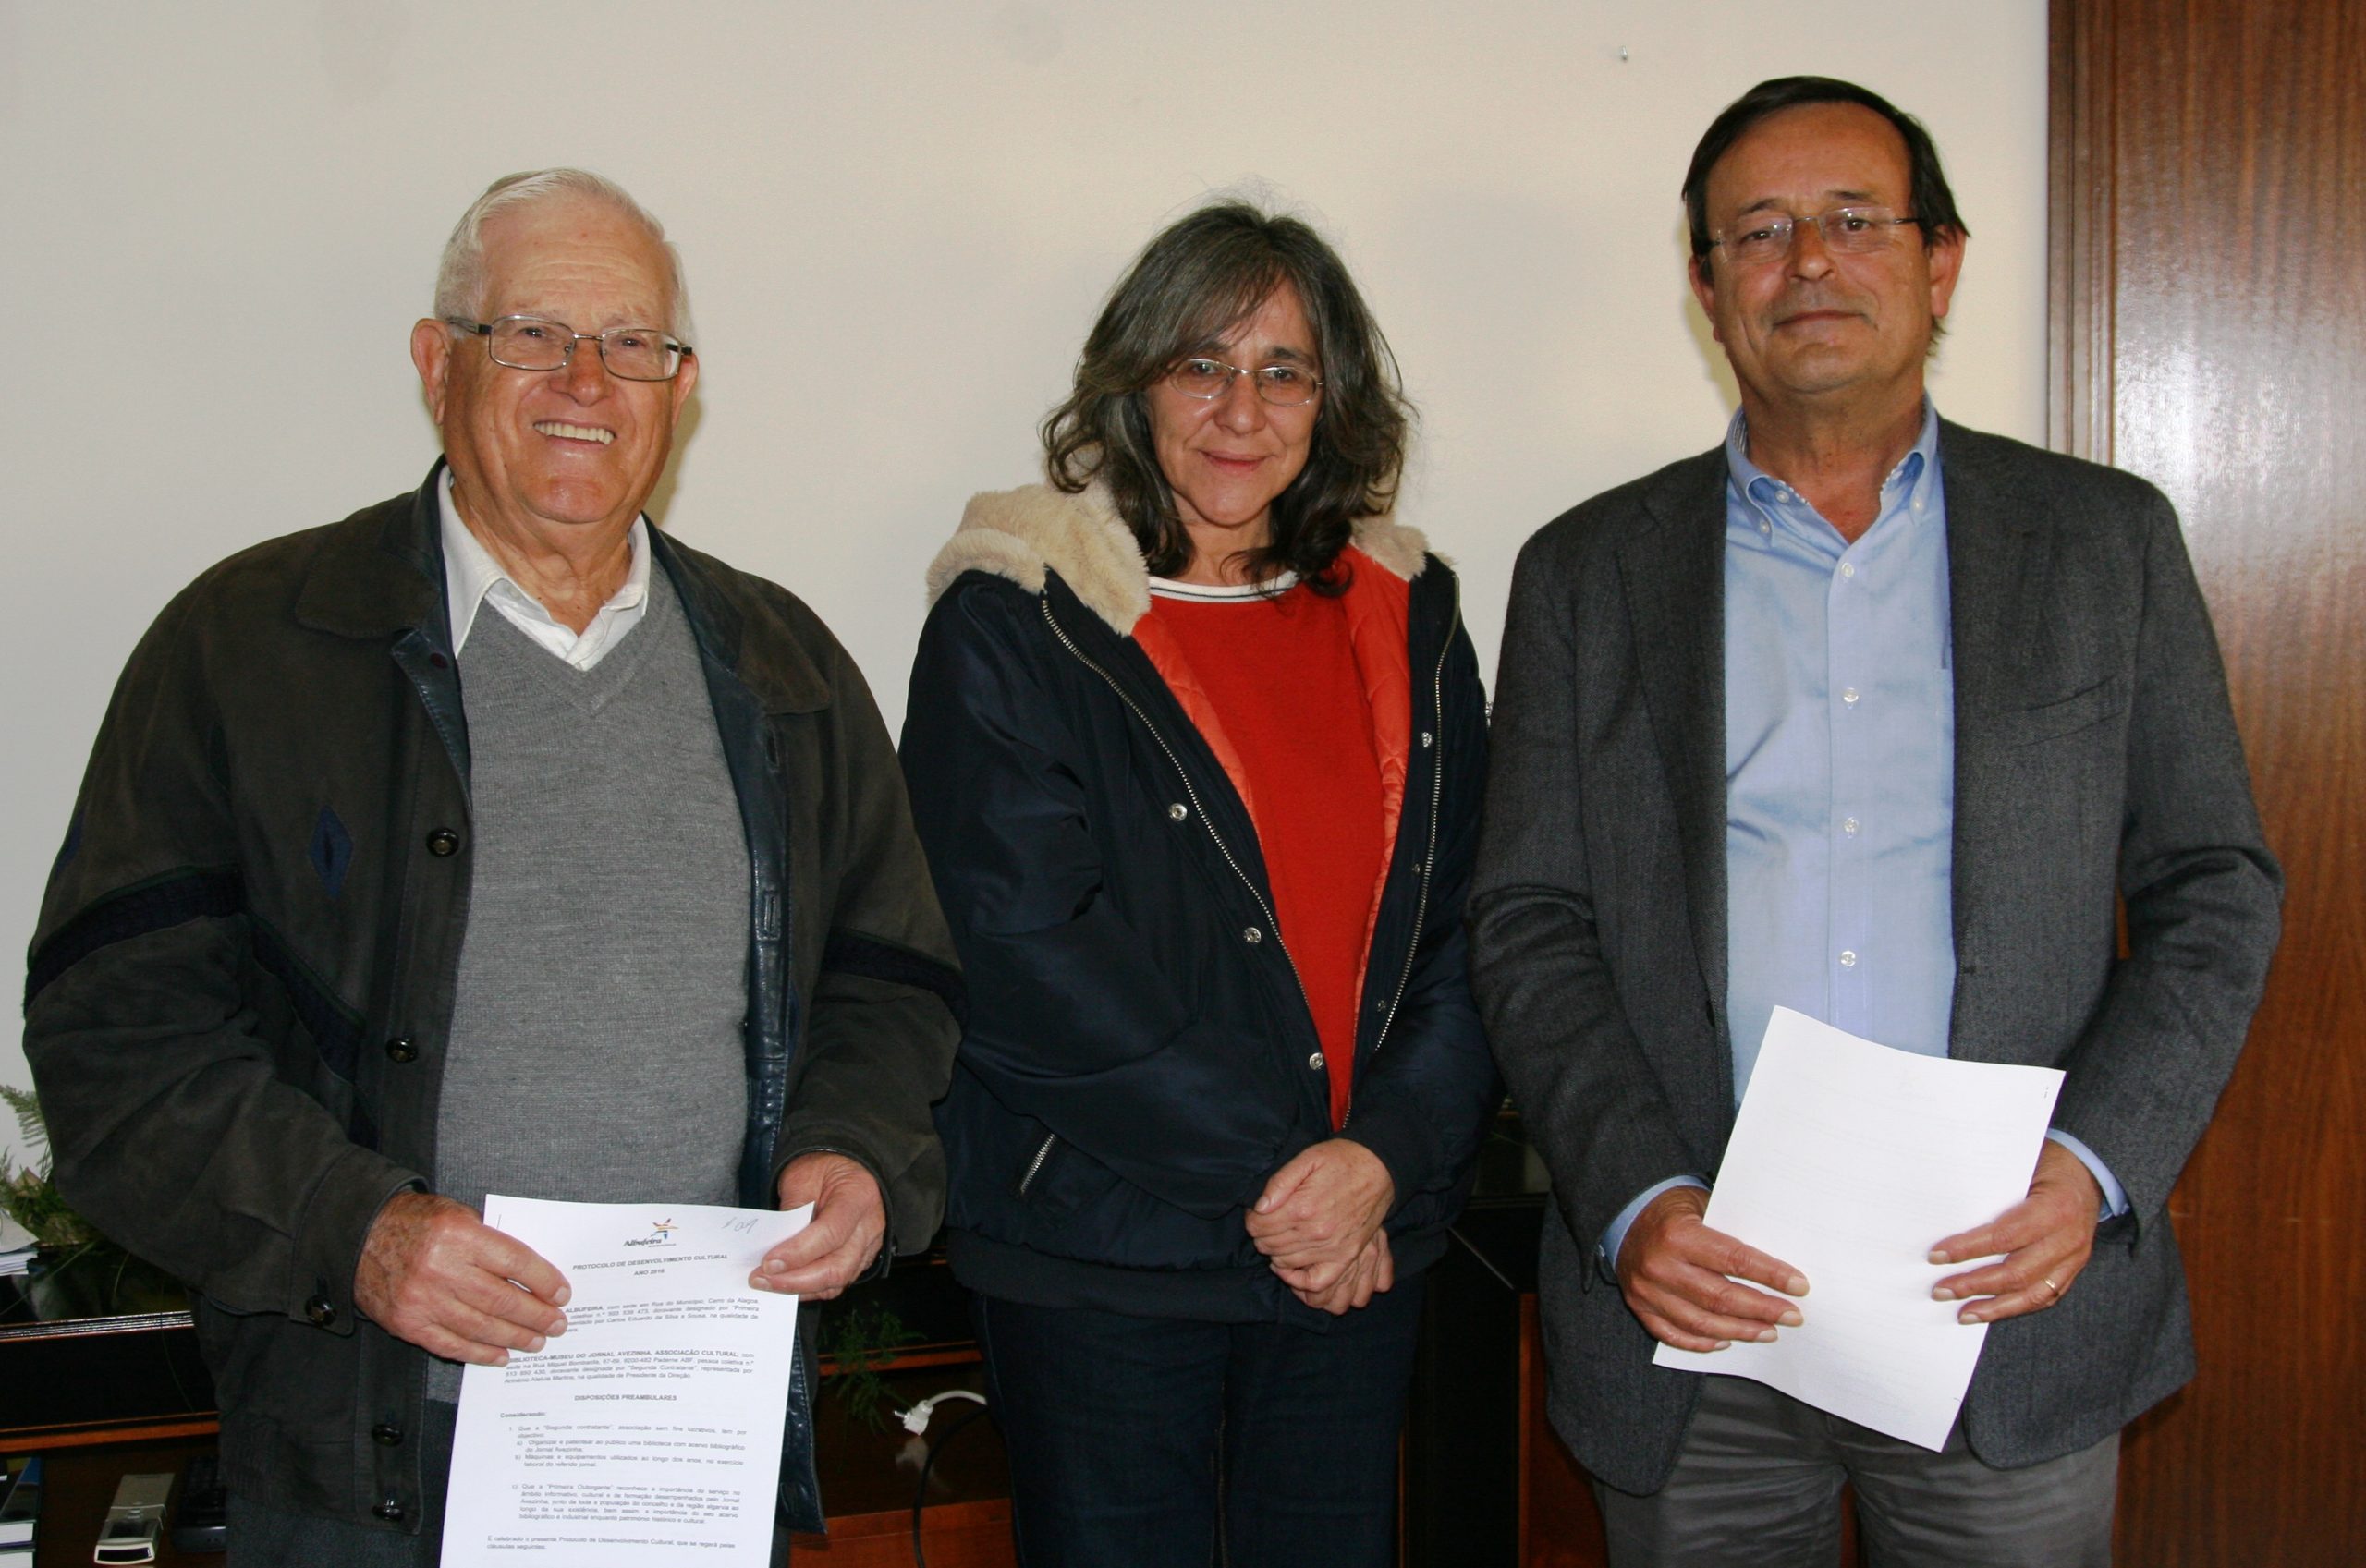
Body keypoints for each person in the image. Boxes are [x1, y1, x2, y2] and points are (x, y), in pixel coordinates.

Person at [22, 169, 962, 1564]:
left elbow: (888, 981)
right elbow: (115, 1033)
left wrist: (860, 1150)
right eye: (532, 331)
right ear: (435, 362)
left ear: (679, 385)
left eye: (633, 341)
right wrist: (358, 1223)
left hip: (681, 1440)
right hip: (368, 1455)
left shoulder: (788, 671)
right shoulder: (246, 650)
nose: (586, 377)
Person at [1470, 77, 2282, 1565]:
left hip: (2004, 1305)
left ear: (1940, 262)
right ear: (1709, 288)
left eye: (1855, 220)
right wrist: (1638, 1195)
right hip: (1695, 1307)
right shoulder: (1585, 570)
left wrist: (2095, 1168)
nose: (1810, 262)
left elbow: (2213, 884)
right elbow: (1530, 919)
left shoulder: (2105, 543)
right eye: (1759, 232)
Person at [899, 201, 1499, 1567]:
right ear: (1135, 384)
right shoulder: (1020, 616)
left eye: (1284, 369)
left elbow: (1470, 932)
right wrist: (1294, 1179)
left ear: (1333, 399)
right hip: (1110, 1257)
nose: (1243, 409)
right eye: (1200, 365)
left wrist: (1381, 1165)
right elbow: (1019, 954)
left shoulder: (1411, 616)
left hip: (1355, 1258)